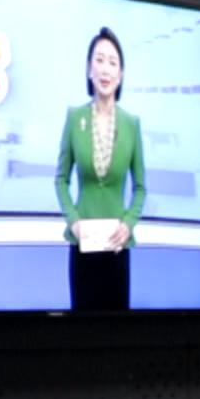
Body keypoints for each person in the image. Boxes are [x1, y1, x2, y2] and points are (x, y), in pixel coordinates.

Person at [55, 28, 145, 312]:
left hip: (117, 246)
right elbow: (60, 179)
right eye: (99, 60)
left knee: (117, 331)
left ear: (121, 75)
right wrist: (73, 221)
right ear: (88, 69)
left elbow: (141, 188)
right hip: (83, 244)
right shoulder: (74, 118)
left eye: (113, 62)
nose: (105, 69)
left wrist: (128, 223)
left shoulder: (132, 124)